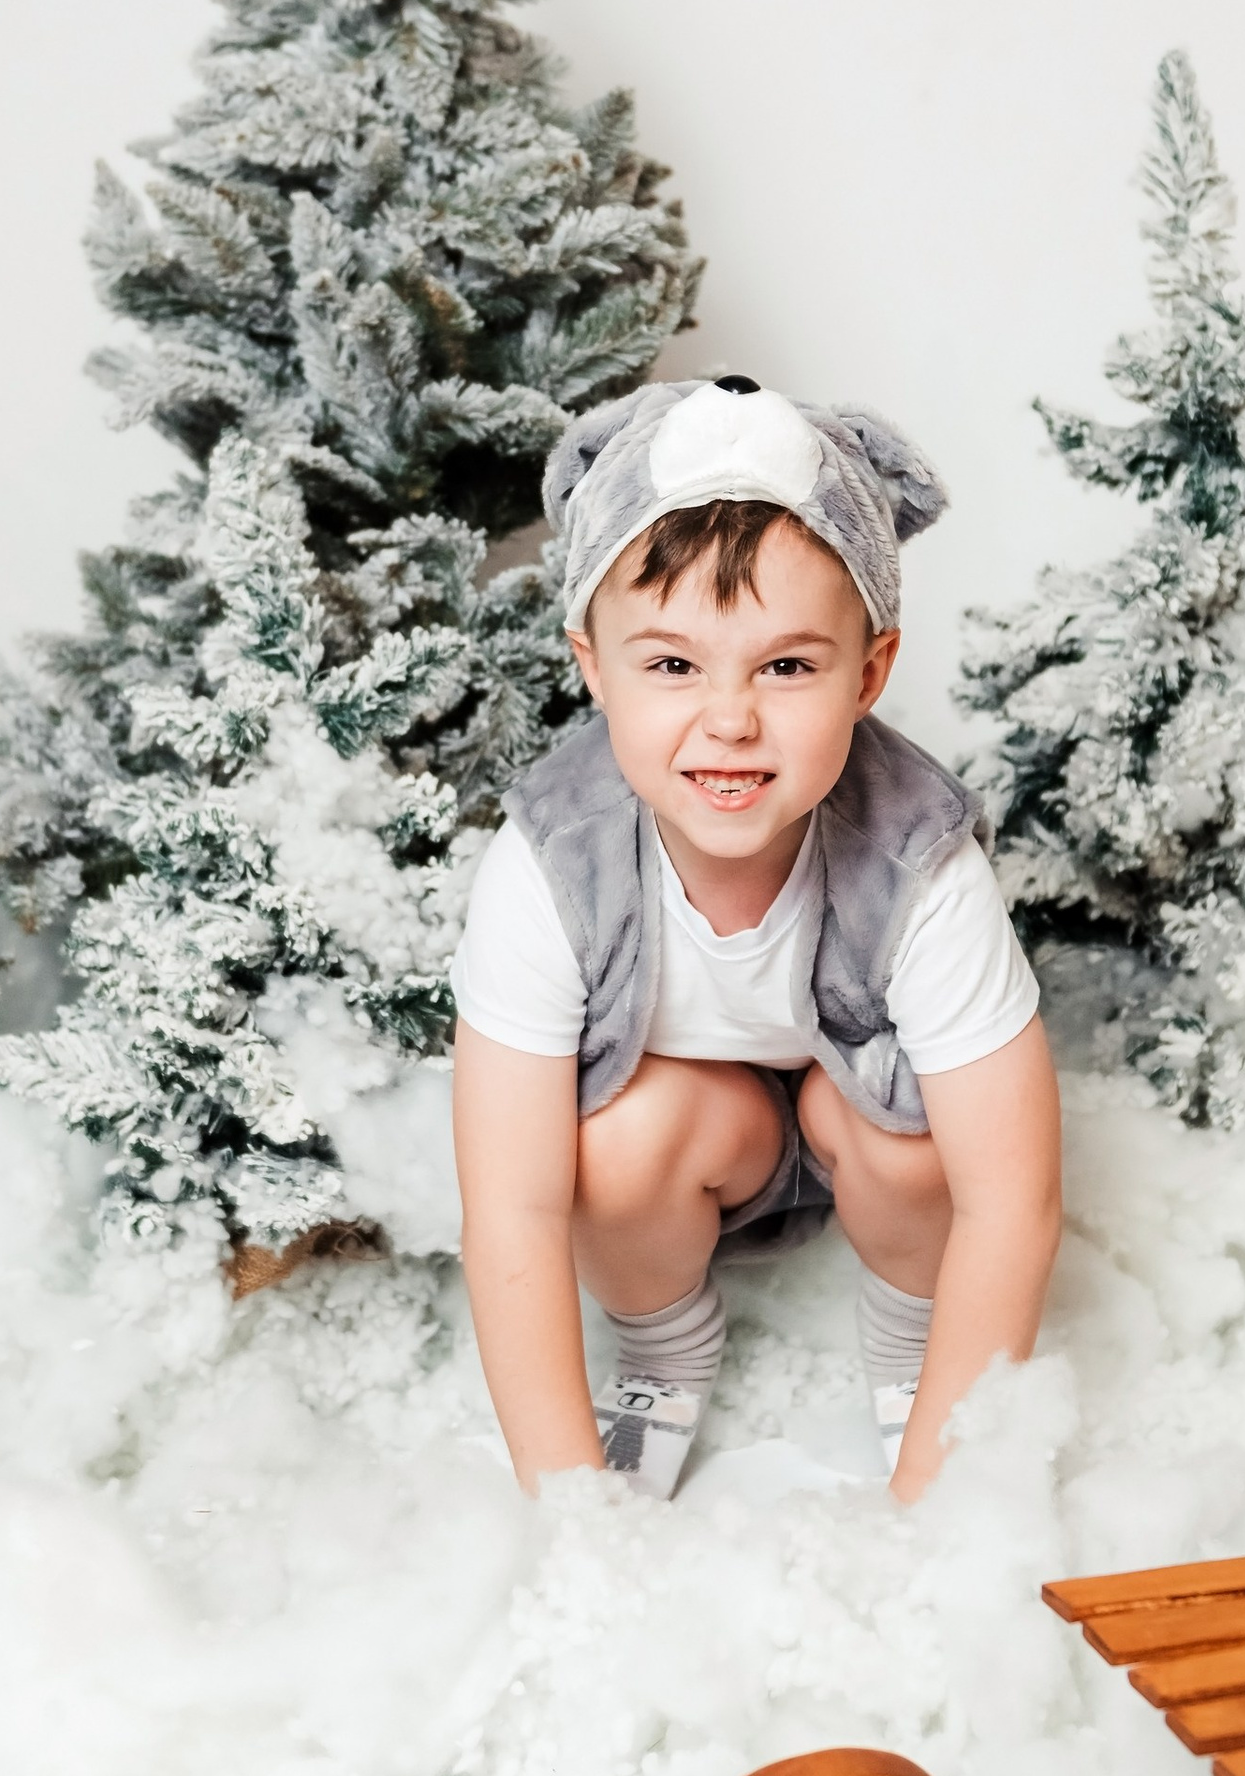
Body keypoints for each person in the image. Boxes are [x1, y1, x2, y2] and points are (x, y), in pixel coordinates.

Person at [450, 373, 1061, 1503]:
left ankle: (912, 1334)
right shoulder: (551, 861)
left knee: (919, 1148)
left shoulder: (917, 859)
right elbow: (511, 1210)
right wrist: (571, 1511)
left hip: (862, 1119)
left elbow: (1010, 1199)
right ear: (593, 665)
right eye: (672, 664)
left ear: (867, 674)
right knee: (607, 1150)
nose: (729, 719)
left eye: (785, 666)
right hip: (699, 1128)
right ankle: (663, 1345)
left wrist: (942, 1502)